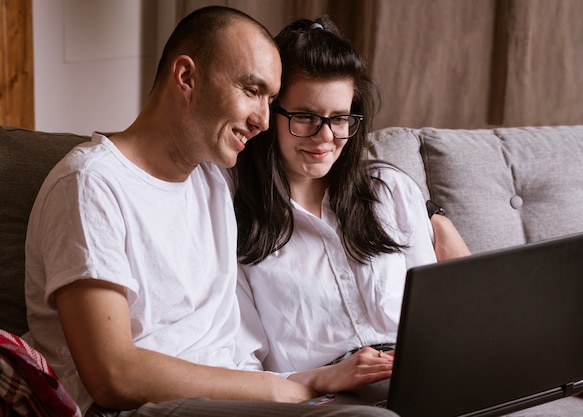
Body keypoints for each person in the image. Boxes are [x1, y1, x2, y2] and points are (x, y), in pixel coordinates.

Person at [24, 6, 399, 417]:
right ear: (186, 78)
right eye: (252, 91)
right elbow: (114, 377)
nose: (262, 120)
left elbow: (327, 157)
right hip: (141, 409)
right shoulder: (90, 185)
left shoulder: (214, 176)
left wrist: (433, 215)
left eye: (271, 100)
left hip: (239, 401)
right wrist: (286, 388)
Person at [232, 16, 470, 382]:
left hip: (418, 379)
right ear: (270, 114)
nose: (324, 136)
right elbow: (243, 369)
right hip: (320, 397)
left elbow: (435, 323)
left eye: (339, 118)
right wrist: (325, 379)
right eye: (305, 117)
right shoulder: (236, 222)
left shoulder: (389, 192)